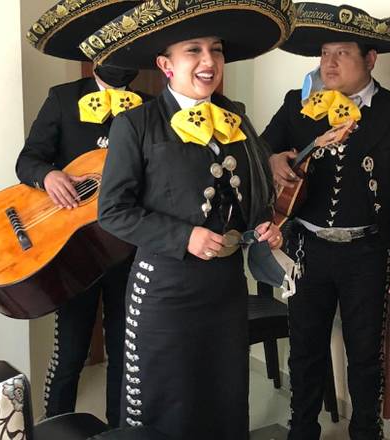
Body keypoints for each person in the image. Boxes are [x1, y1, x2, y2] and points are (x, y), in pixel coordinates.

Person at [79, 0, 294, 437]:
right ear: (167, 65)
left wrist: (262, 228)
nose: (208, 61)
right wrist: (185, 236)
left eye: (215, 50)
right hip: (165, 293)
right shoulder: (135, 125)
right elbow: (113, 212)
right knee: (167, 407)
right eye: (193, 50)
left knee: (225, 399)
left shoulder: (238, 119)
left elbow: (251, 197)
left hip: (226, 291)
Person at [260, 3, 390, 439]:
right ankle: (301, 431)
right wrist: (273, 158)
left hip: (368, 253)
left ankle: (366, 432)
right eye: (324, 53)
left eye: (342, 53)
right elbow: (260, 148)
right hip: (308, 250)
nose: (329, 63)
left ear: (370, 59)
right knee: (305, 351)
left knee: (365, 354)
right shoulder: (299, 106)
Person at [19, 0, 152, 427]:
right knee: (70, 350)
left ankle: (118, 432)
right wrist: (48, 175)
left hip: (128, 249)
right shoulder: (61, 99)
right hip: (71, 252)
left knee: (124, 350)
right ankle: (53, 429)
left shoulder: (151, 108)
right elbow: (27, 160)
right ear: (93, 53)